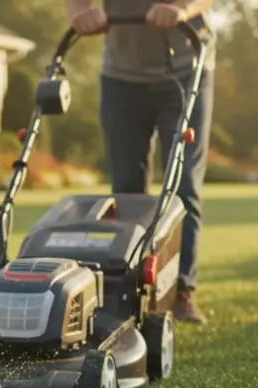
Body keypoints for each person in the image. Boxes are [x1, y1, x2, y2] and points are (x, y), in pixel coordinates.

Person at [66, 0, 216, 324]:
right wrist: (79, 12)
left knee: (184, 181)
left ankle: (181, 292)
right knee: (125, 189)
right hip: (121, 76)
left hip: (187, 67)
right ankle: (128, 289)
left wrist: (182, 8)